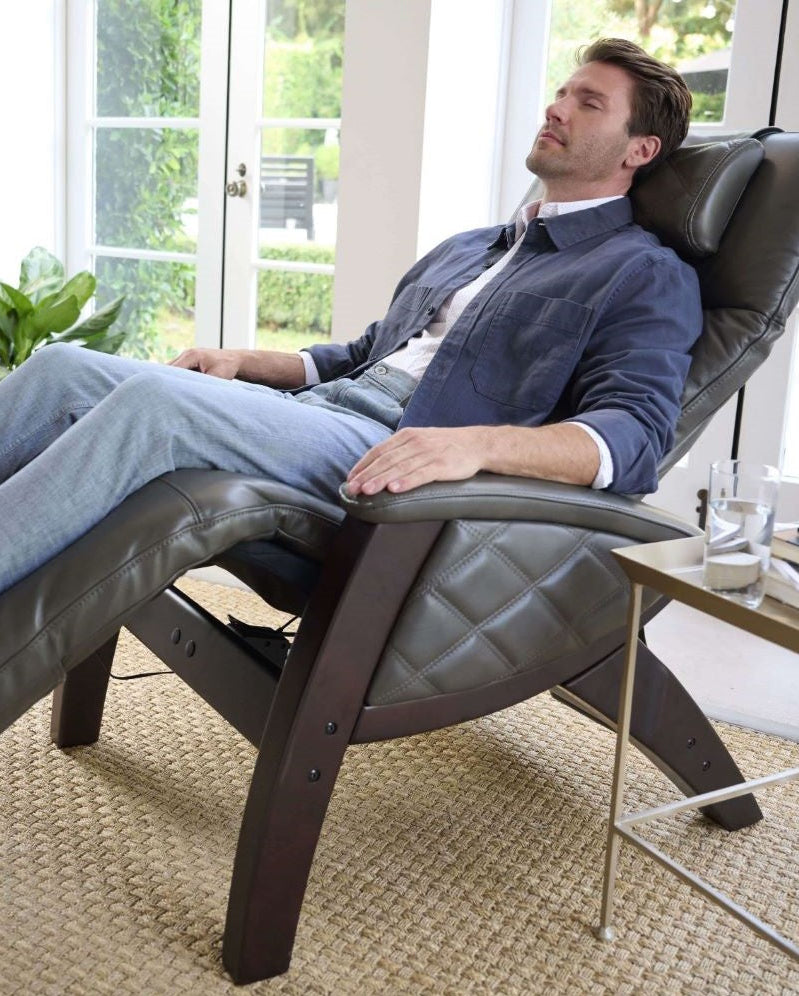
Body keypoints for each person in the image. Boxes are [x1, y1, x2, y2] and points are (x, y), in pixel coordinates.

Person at [0, 38, 700, 595]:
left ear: (638, 151)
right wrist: (245, 362)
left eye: (588, 103)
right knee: (61, 367)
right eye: (559, 92)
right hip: (326, 411)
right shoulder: (473, 247)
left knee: (155, 405)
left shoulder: (641, 273)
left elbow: (632, 436)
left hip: (386, 448)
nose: (555, 109)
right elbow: (367, 351)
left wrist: (473, 447)